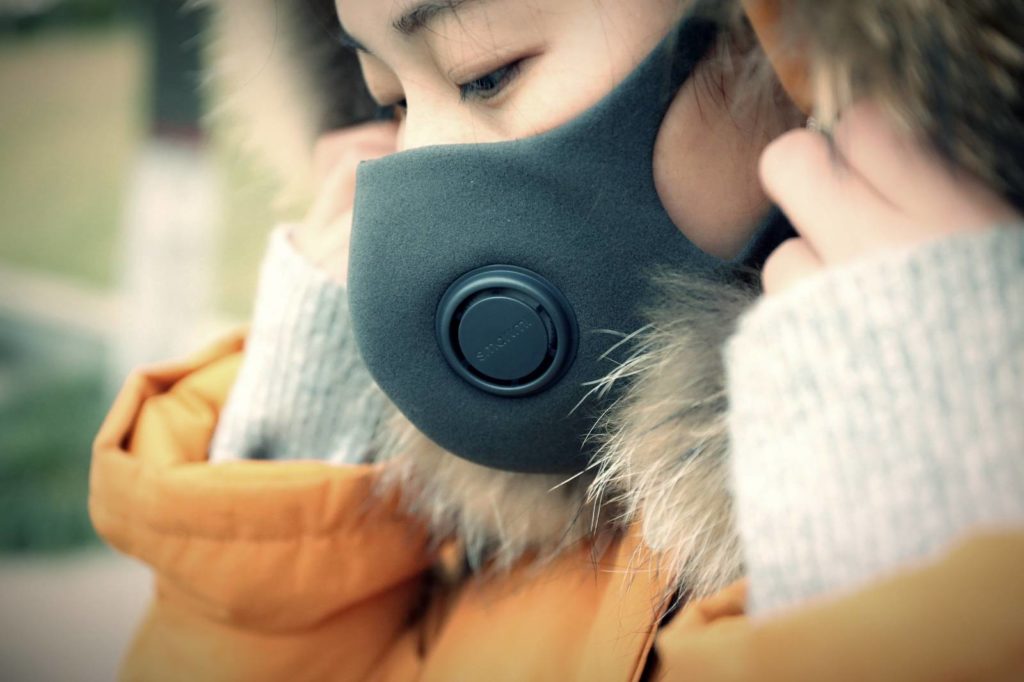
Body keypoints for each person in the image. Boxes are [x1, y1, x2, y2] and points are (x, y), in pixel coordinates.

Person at [90, 0, 1024, 679]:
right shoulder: (474, 513)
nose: (416, 176)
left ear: (782, 35)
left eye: (484, 72)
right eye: (391, 100)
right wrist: (289, 517)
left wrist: (939, 588)